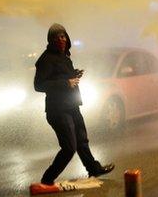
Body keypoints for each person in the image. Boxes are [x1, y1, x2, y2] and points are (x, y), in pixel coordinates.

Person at [34, 23, 114, 185]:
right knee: (69, 147)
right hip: (58, 110)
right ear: (51, 40)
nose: (61, 40)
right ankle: (47, 179)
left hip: (72, 106)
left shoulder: (64, 57)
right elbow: (39, 85)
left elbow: (60, 77)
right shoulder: (45, 59)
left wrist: (73, 74)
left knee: (82, 140)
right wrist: (66, 82)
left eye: (63, 36)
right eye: (57, 37)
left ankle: (93, 168)